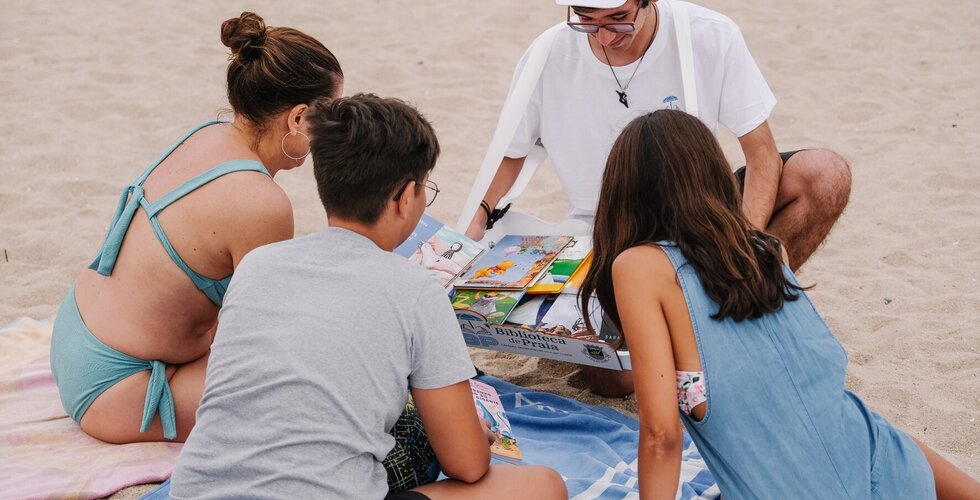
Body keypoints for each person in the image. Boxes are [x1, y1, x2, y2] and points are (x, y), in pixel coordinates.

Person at [169, 94, 567, 499]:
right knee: (544, 486)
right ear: (405, 197)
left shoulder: (257, 265)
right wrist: (472, 436)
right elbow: (466, 465)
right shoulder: (415, 290)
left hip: (195, 492)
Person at [579, 109, 980, 499]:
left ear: (623, 192)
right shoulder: (765, 249)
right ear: (715, 176)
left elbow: (661, 436)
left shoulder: (639, 267)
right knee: (881, 438)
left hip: (825, 476)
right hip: (889, 465)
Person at [465, 0, 852, 396]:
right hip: (609, 230)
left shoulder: (709, 33)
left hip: (700, 211)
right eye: (587, 21)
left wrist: (742, 247)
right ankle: (698, 327)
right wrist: (478, 218)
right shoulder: (548, 53)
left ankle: (740, 307)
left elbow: (762, 153)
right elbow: (512, 152)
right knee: (615, 380)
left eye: (619, 19)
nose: (605, 37)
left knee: (826, 175)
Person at [49, 12, 344, 443]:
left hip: (76, 334)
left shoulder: (208, 135)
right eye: (329, 116)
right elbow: (260, 338)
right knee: (310, 386)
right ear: (298, 118)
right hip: (118, 387)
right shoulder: (261, 202)